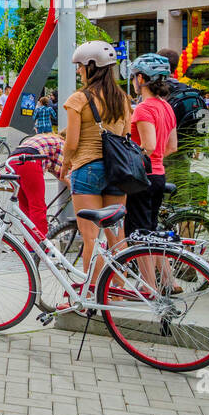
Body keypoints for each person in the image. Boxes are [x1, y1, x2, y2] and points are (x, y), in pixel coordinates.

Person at [60, 40, 133, 280]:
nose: (79, 70)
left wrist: (64, 166)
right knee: (116, 235)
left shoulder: (78, 99)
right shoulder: (122, 98)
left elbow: (71, 143)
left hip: (88, 168)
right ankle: (120, 290)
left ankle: (92, 292)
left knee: (91, 237)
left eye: (80, 66)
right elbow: (124, 134)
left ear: (91, 66)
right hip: (118, 170)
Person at [125, 55, 178, 286]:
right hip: (159, 174)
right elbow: (171, 147)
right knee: (152, 232)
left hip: (142, 179)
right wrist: (156, 159)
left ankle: (150, 287)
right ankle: (168, 282)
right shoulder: (166, 106)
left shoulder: (144, 108)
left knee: (139, 237)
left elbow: (149, 145)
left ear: (140, 78)